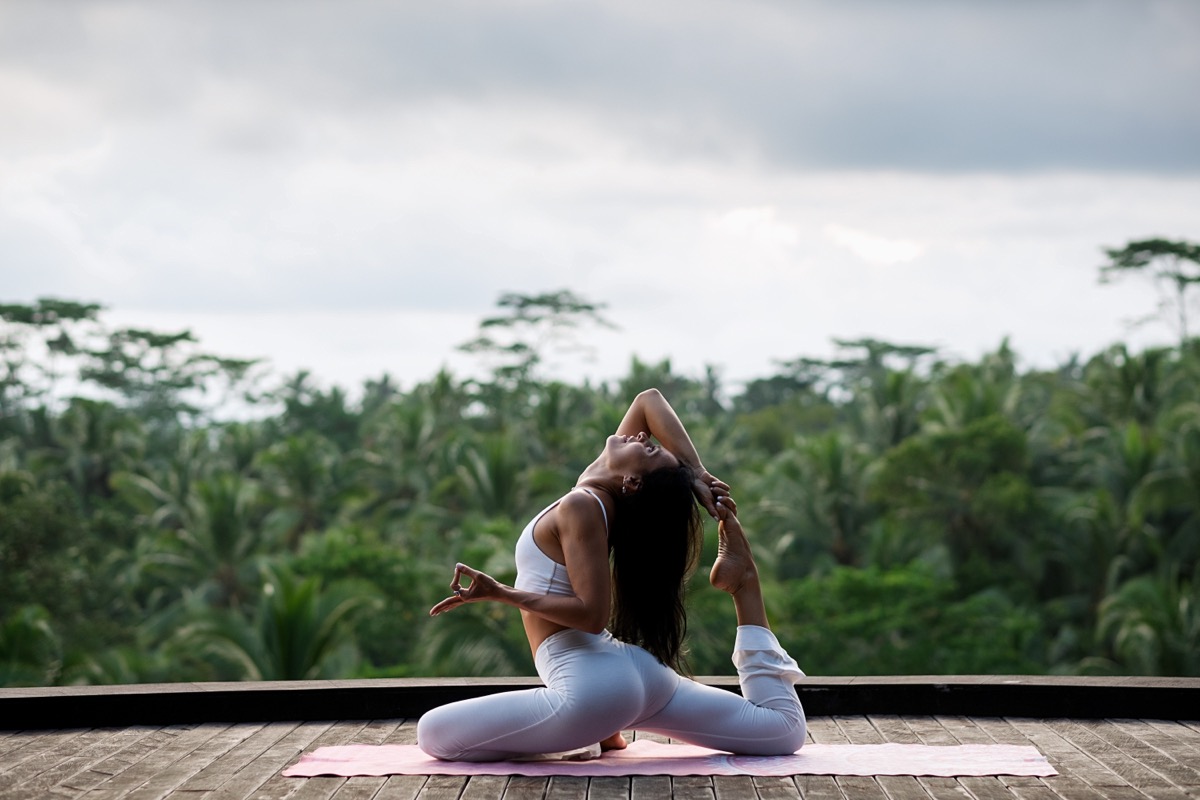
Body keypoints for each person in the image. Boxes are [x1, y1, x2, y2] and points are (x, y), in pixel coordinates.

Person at [416, 388, 806, 761]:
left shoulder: (582, 505)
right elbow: (648, 401)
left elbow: (591, 615)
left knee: (432, 733)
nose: (639, 434)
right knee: (780, 730)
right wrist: (697, 473)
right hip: (635, 674)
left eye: (648, 447)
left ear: (633, 482)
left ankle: (582, 736)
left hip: (591, 690)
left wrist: (502, 593)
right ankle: (746, 585)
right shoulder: (602, 485)